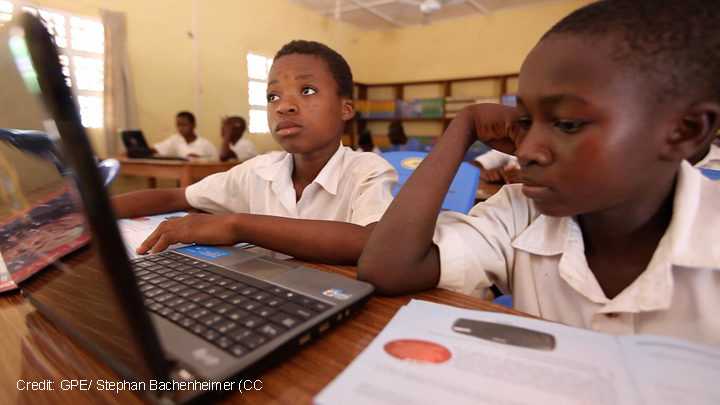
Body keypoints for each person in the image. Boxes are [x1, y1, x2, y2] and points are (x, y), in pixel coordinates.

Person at [358, 0, 720, 347]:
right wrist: (464, 126)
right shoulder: (520, 212)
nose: (527, 149)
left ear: (684, 131)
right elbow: (388, 270)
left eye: (567, 123)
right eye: (526, 121)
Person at [112, 40, 397, 265]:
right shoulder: (258, 170)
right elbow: (175, 196)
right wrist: (88, 211)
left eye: (307, 90)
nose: (283, 106)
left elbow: (372, 244)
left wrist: (237, 225)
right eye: (273, 96)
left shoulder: (368, 169)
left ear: (346, 108)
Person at [152, 112, 218, 158]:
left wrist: (200, 160)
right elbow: (159, 149)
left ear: (193, 125)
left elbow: (216, 163)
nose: (181, 128)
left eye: (184, 125)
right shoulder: (176, 140)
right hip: (182, 176)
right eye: (178, 125)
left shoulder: (206, 145)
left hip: (202, 177)